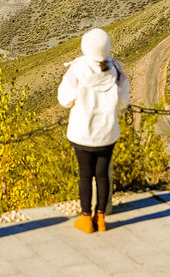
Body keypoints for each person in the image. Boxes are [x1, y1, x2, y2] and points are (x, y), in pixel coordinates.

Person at [57, 28, 130, 233]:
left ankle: (86, 219)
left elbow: (64, 99)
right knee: (103, 176)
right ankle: (101, 219)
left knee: (85, 176)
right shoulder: (115, 69)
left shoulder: (78, 70)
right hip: (107, 132)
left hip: (82, 133)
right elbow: (124, 99)